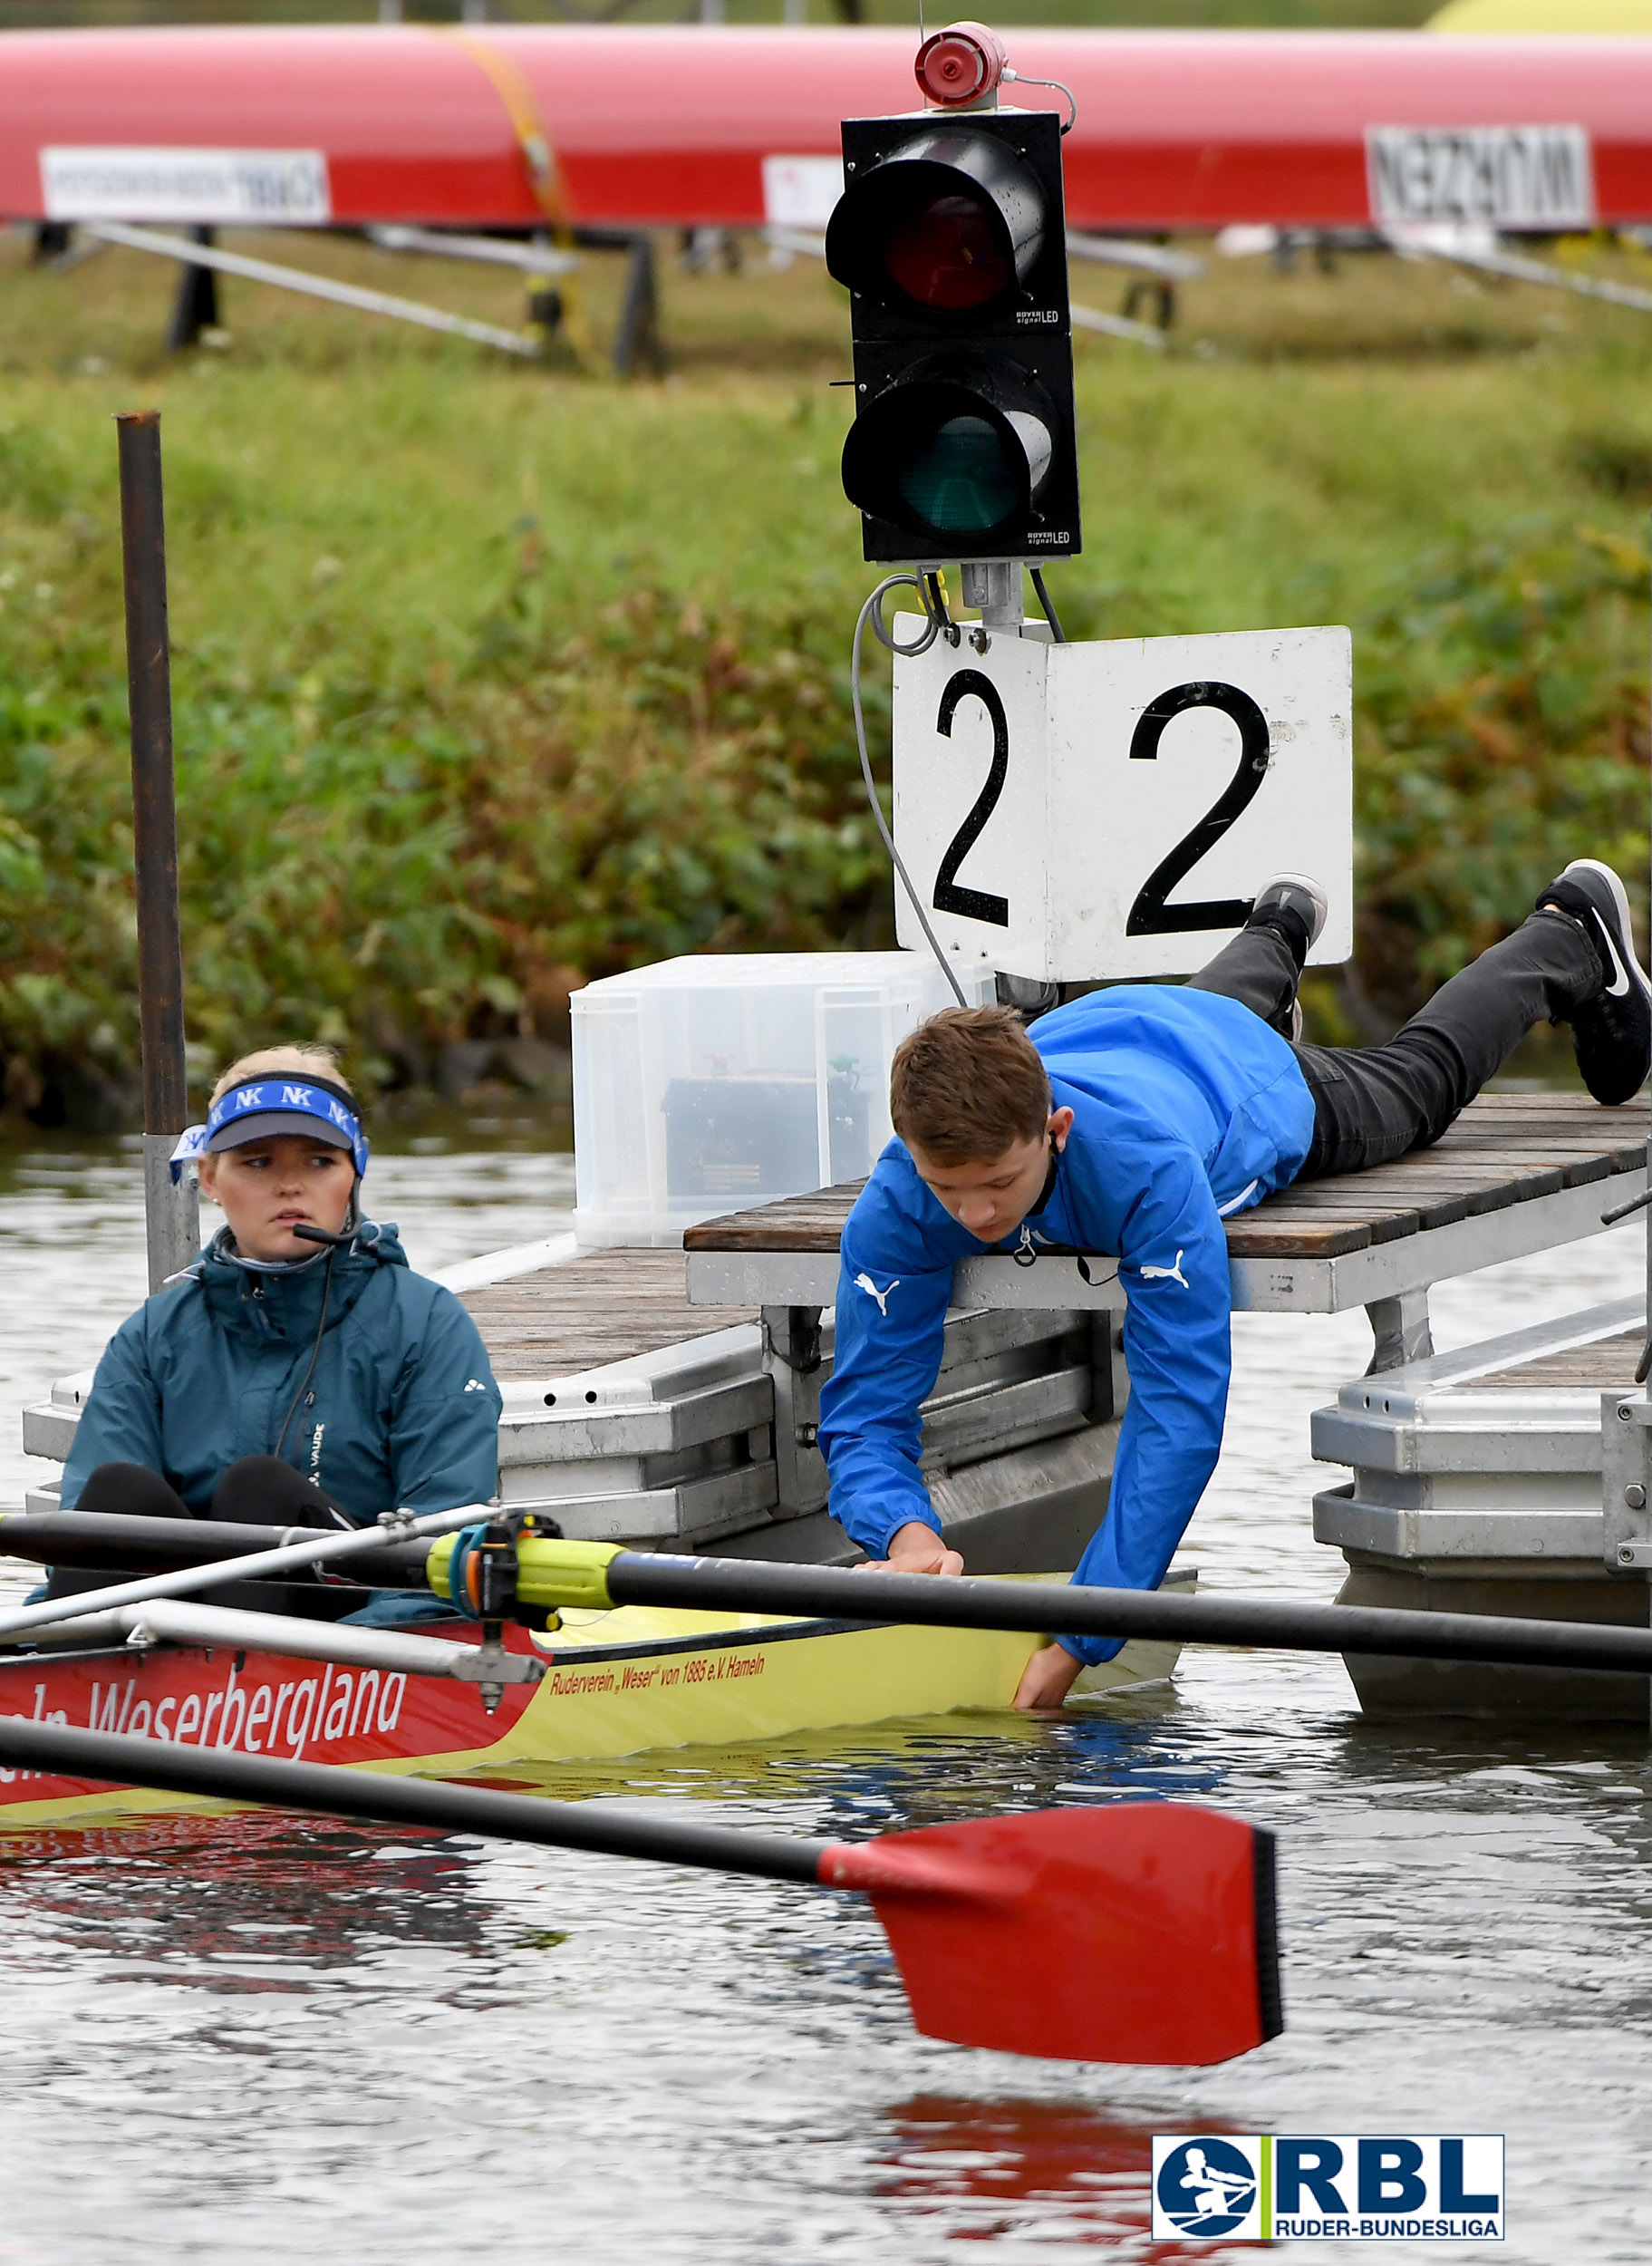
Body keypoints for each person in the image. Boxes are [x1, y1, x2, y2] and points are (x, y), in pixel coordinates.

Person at [818, 859, 1652, 1710]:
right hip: (1124, 1025)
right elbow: (863, 1405)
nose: (971, 1213)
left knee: (1420, 1083)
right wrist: (904, 1531)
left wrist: (1081, 1637)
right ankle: (1278, 926)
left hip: (1237, 1086)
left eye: (998, 1182)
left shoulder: (1149, 1178)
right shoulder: (897, 1199)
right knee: (1207, 1015)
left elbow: (1177, 1417)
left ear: (1054, 1129)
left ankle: (1565, 931)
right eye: (944, 1187)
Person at [52, 1045, 502, 1615]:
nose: (290, 1186)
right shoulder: (152, 1335)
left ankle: (213, 1686)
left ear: (354, 1169)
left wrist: (360, 1656)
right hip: (179, 1635)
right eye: (258, 1162)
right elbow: (78, 1543)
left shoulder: (427, 1323)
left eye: (318, 1161)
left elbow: (444, 1536)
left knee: (260, 1489)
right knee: (116, 1493)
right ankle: (90, 1675)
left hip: (356, 1628)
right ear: (210, 1176)